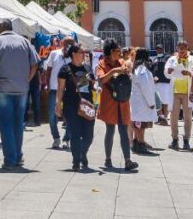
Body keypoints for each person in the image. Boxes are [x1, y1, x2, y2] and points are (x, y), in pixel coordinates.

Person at [0, 20, 39, 170]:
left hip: (3, 88)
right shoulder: (25, 42)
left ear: (1, 28)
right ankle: (18, 156)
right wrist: (26, 80)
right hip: (22, 89)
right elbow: (35, 65)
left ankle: (10, 160)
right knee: (17, 124)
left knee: (6, 125)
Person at [96, 39, 137, 171]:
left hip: (123, 101)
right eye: (116, 50)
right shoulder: (102, 64)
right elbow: (101, 80)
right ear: (109, 52)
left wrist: (126, 70)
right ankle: (108, 158)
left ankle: (127, 160)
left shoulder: (122, 63)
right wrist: (114, 71)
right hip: (109, 102)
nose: (119, 53)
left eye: (119, 50)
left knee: (123, 131)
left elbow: (128, 74)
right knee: (110, 130)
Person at [55, 44, 95, 171]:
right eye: (81, 52)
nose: (83, 54)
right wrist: (58, 105)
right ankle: (76, 160)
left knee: (89, 135)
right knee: (75, 133)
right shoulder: (65, 69)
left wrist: (95, 85)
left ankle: (83, 153)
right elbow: (60, 89)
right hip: (71, 105)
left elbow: (93, 86)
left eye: (84, 52)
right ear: (73, 54)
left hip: (87, 104)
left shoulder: (88, 68)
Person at [45, 37, 75, 149]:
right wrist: (47, 84)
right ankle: (56, 138)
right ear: (62, 43)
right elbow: (48, 70)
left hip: (69, 90)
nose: (69, 45)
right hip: (54, 89)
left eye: (72, 43)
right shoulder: (54, 54)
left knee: (69, 116)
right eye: (67, 43)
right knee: (52, 116)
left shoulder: (74, 56)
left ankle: (67, 138)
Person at [164, 40, 193, 150]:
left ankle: (186, 140)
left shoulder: (192, 59)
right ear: (177, 48)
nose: (181, 49)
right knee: (173, 117)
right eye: (179, 47)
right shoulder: (172, 59)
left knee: (187, 117)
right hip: (175, 92)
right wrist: (169, 70)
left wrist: (189, 73)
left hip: (187, 92)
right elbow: (166, 73)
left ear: (187, 48)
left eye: (183, 47)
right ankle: (174, 139)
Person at [130, 47, 157, 154]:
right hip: (142, 101)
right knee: (140, 125)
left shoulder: (136, 68)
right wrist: (151, 103)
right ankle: (141, 145)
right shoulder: (142, 70)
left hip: (137, 101)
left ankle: (136, 143)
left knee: (138, 123)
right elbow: (146, 87)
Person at [151, 45, 171, 127]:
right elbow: (152, 69)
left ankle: (165, 118)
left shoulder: (167, 57)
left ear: (163, 49)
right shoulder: (154, 59)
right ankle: (160, 118)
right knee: (157, 102)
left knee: (165, 102)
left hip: (165, 82)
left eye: (160, 49)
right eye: (157, 49)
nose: (159, 50)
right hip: (156, 83)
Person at [27, 55, 42, 127]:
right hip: (29, 83)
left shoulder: (35, 59)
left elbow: (38, 71)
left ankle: (37, 121)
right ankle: (26, 121)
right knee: (27, 103)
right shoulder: (34, 58)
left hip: (33, 83)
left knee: (36, 103)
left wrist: (40, 82)